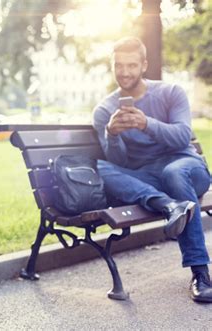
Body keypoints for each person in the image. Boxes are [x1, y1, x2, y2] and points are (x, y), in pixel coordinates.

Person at [93, 36, 212, 303]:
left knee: (173, 174)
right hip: (147, 177)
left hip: (187, 168)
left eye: (132, 65)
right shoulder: (104, 110)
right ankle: (170, 206)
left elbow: (183, 136)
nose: (124, 72)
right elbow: (120, 162)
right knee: (99, 167)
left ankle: (200, 273)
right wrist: (111, 134)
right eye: (119, 66)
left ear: (144, 65)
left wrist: (147, 124)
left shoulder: (170, 93)